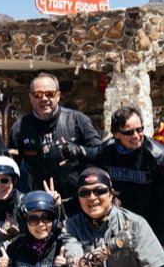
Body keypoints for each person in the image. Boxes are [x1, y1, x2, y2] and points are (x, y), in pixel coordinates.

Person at [94, 106, 164, 253]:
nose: (136, 136)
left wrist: (155, 241)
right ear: (116, 134)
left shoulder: (161, 157)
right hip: (123, 223)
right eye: (128, 132)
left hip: (158, 222)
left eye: (139, 129)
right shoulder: (104, 153)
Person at [7, 72, 101, 205]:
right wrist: (6, 158)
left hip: (77, 201)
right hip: (40, 203)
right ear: (31, 98)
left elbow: (101, 153)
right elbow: (11, 169)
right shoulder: (20, 128)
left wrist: (79, 151)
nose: (44, 98)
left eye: (49, 94)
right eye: (38, 94)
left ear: (58, 96)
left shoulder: (77, 120)